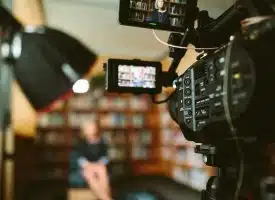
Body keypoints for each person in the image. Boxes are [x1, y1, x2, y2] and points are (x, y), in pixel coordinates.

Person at [69, 120, 109, 188]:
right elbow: (80, 157)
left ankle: (106, 197)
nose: (89, 129)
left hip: (99, 165)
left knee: (102, 171)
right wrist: (88, 165)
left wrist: (99, 164)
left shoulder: (102, 141)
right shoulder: (80, 142)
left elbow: (105, 156)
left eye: (91, 127)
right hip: (86, 167)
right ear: (84, 130)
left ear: (95, 129)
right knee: (89, 174)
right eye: (87, 128)